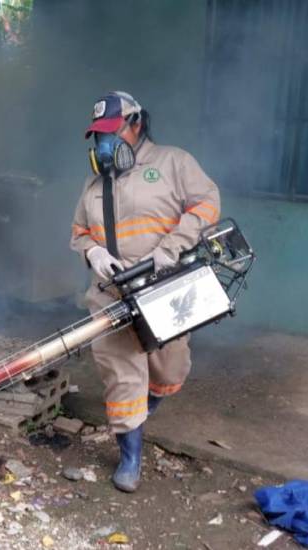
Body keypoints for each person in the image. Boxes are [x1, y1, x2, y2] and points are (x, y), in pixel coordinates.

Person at [70, 91, 221, 492]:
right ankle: (130, 456)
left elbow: (208, 204)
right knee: (122, 374)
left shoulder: (174, 162)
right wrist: (94, 251)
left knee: (170, 369)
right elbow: (79, 232)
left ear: (135, 123)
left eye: (110, 132)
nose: (104, 143)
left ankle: (142, 410)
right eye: (97, 136)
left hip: (165, 286)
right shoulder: (94, 182)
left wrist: (171, 248)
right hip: (111, 293)